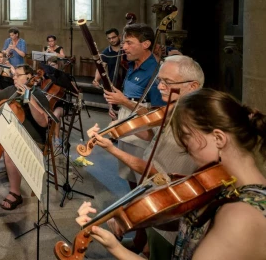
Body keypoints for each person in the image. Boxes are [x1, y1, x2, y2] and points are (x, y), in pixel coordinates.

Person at [75, 88, 266, 260]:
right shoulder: (225, 183)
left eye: (186, 139)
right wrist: (127, 219)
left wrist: (116, 249)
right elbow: (191, 224)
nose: (185, 149)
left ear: (218, 138)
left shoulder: (241, 217)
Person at [86, 55, 204, 259]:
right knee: (151, 242)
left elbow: (157, 173)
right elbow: (152, 136)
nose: (160, 87)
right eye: (160, 80)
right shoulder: (173, 109)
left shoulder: (190, 126)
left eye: (167, 82)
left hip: (168, 210)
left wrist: (112, 149)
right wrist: (122, 128)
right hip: (157, 201)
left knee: (161, 248)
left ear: (192, 86)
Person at [104, 24, 164, 190]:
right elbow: (129, 95)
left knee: (142, 177)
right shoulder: (131, 64)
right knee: (128, 171)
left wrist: (124, 101)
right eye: (124, 42)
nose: (124, 47)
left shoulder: (156, 71)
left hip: (141, 131)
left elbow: (158, 115)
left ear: (146, 44)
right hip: (125, 123)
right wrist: (115, 103)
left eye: (129, 43)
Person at [0, 65, 49, 210]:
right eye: (14, 75)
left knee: (9, 150)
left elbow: (44, 123)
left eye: (18, 75)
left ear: (29, 77)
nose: (14, 77)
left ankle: (15, 193)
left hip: (32, 139)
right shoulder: (12, 89)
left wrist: (29, 98)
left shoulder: (38, 94)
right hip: (12, 133)